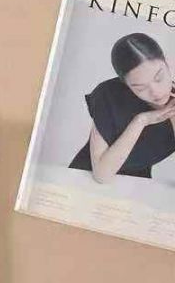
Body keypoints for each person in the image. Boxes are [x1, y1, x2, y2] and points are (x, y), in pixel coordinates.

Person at [70, 32, 175, 182]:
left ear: (168, 63)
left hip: (138, 186)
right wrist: (141, 121)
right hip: (82, 179)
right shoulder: (108, 95)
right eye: (140, 88)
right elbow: (102, 175)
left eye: (159, 78)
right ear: (126, 85)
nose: (155, 92)